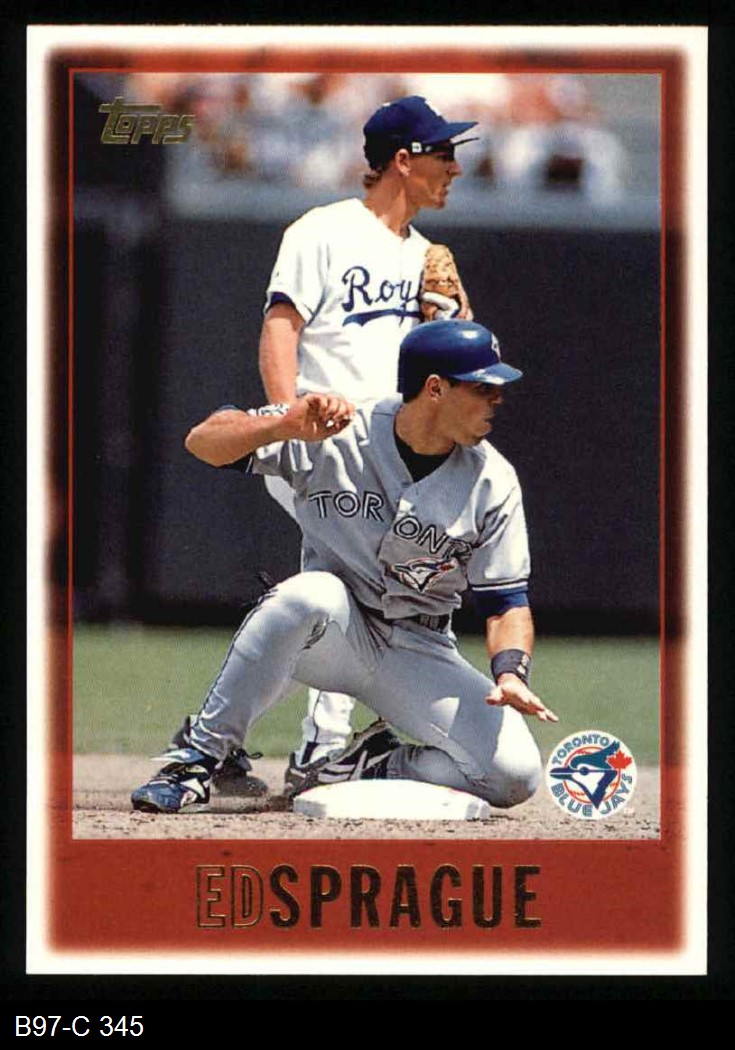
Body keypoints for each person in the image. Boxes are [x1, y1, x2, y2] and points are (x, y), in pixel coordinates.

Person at [131, 319, 557, 816]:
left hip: (418, 647)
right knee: (308, 594)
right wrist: (281, 425)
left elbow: (506, 602)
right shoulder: (338, 429)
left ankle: (361, 765)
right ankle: (198, 758)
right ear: (435, 388)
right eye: (483, 388)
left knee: (514, 775)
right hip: (330, 633)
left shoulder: (493, 479)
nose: (497, 400)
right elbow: (202, 442)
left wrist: (511, 672)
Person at [253, 93, 478, 792]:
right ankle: (321, 746)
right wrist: (285, 420)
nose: (455, 167)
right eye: (444, 153)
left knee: (382, 590)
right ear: (403, 160)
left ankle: (244, 728)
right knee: (366, 581)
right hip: (323, 438)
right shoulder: (323, 230)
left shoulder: (425, 258)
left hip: (394, 454)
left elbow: (458, 368)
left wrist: (454, 321)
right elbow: (281, 326)